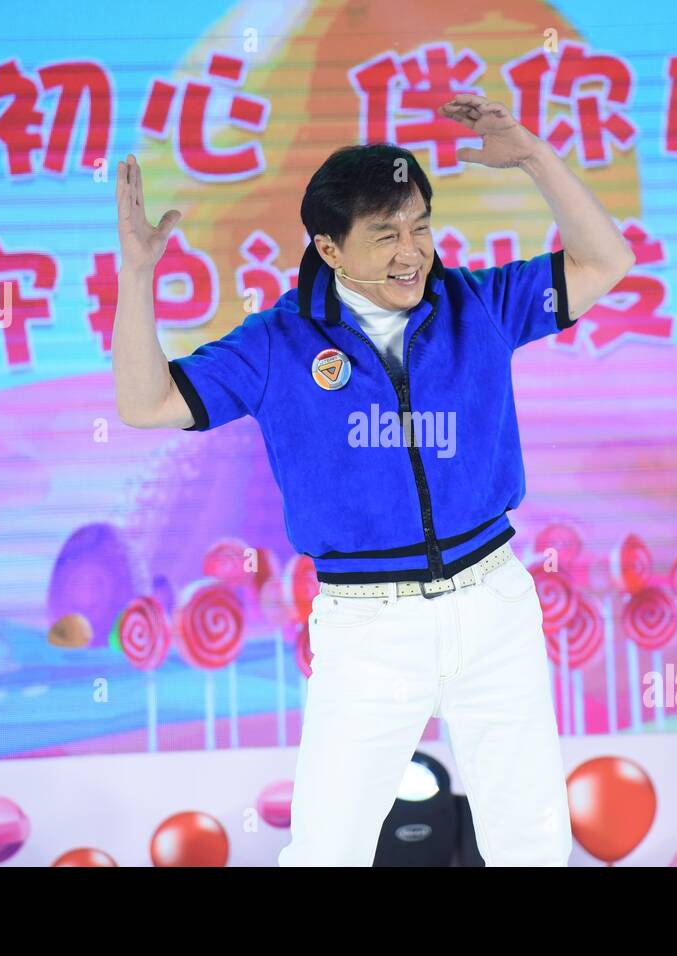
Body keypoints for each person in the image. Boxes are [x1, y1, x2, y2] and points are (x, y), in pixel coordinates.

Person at [113, 93, 634, 866]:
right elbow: (145, 402)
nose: (411, 250)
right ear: (329, 249)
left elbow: (606, 261)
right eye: (385, 233)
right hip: (368, 625)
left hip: (493, 603)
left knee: (531, 845)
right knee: (329, 852)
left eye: (421, 227)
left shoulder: (476, 305)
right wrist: (137, 273)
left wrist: (532, 156)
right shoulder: (278, 342)